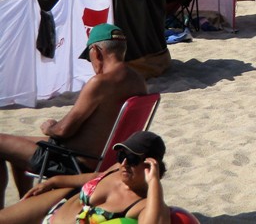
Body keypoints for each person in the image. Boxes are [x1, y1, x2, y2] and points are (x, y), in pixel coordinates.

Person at [0, 24, 147, 207]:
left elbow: (64, 131)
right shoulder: (138, 81)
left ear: (96, 51)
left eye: (89, 58)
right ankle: (26, 204)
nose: (91, 64)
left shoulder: (99, 83)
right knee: (16, 143)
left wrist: (50, 127)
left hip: (71, 162)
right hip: (105, 160)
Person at [1, 131, 170, 224]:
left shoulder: (145, 204)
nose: (124, 163)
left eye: (132, 159)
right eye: (121, 156)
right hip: (55, 206)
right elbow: (90, 177)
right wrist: (53, 182)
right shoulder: (117, 169)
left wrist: (154, 181)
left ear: (150, 165)